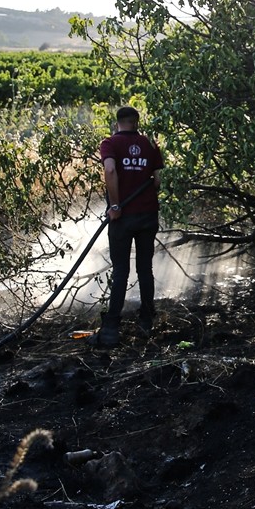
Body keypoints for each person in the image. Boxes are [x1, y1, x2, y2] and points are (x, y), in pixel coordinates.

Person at [95, 106, 164, 348]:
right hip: (147, 216)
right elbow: (156, 181)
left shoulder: (109, 144)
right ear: (136, 122)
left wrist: (115, 205)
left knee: (121, 271)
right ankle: (146, 321)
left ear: (118, 124)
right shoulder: (150, 144)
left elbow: (110, 169)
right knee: (145, 269)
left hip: (122, 219)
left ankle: (111, 328)